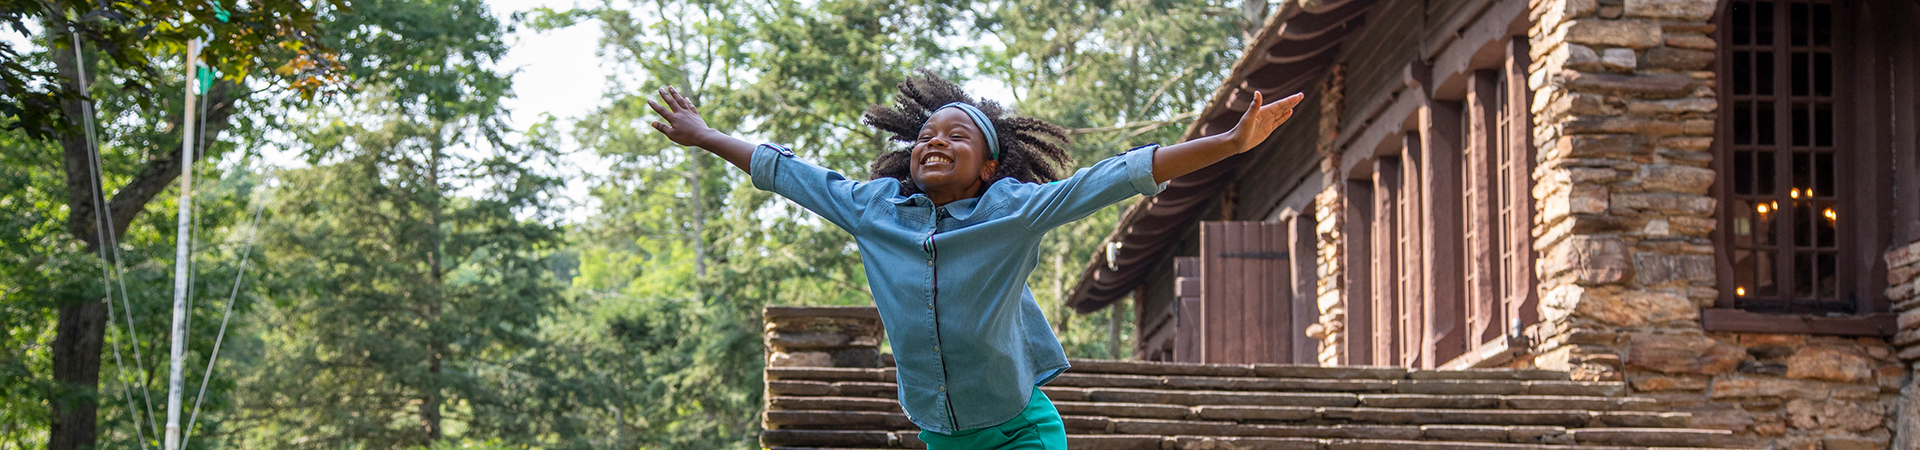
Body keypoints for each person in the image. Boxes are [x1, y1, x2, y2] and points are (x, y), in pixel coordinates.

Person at [648, 71, 1301, 450]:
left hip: (1019, 427)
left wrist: (1229, 141)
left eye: (956, 135)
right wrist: (705, 136)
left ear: (989, 166)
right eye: (926, 136)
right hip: (940, 431)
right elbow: (788, 173)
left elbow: (1113, 177)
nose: (935, 142)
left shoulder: (1013, 210)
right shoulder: (871, 208)